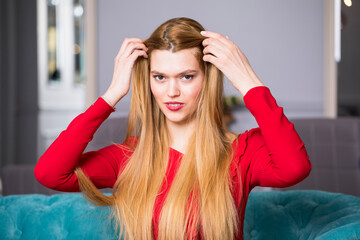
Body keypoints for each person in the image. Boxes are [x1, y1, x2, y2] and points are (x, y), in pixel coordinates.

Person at [34, 17, 312, 240]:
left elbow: (295, 168)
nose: (172, 91)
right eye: (160, 77)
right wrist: (111, 95)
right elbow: (50, 173)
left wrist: (249, 82)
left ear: (206, 80)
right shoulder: (130, 158)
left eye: (186, 76)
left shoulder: (241, 153)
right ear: (149, 80)